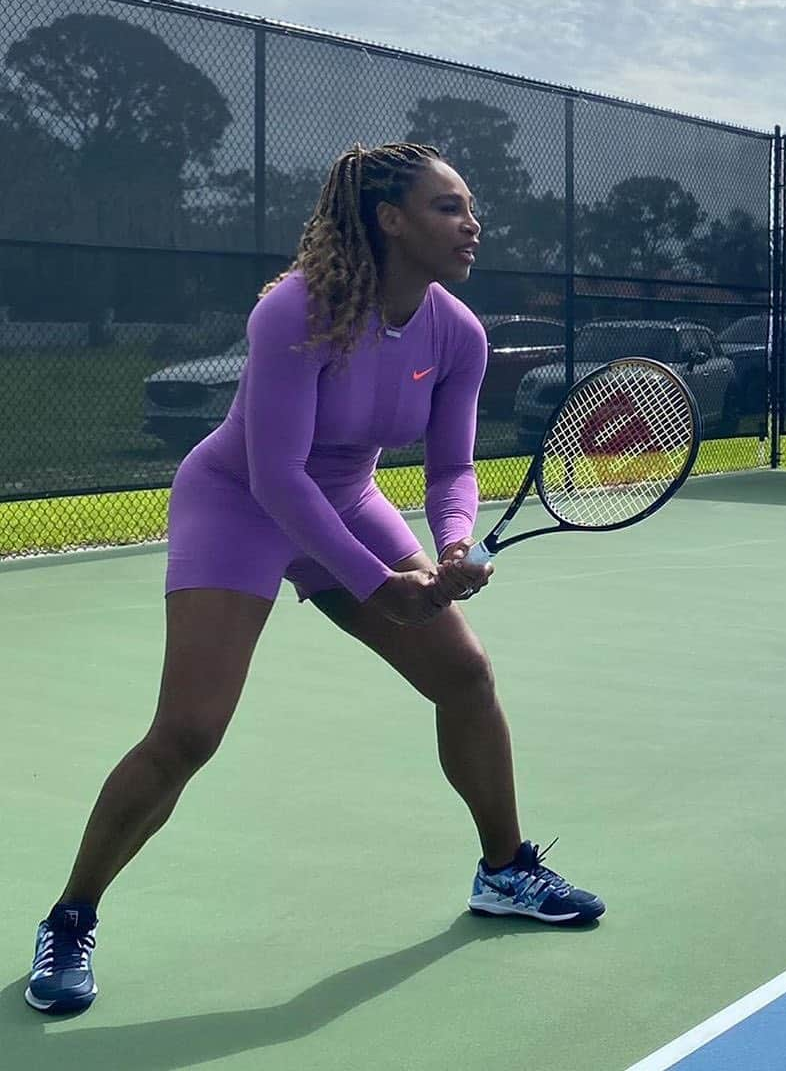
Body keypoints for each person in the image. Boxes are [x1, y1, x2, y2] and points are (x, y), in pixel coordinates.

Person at [25, 142, 604, 1016]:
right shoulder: (296, 310)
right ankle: (70, 918)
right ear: (390, 219)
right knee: (189, 732)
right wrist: (379, 584)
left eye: (469, 207)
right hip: (240, 502)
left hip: (346, 495)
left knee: (465, 675)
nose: (471, 223)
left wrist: (449, 546)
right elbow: (275, 477)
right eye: (449, 207)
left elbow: (452, 468)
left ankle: (504, 870)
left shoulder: (459, 332)